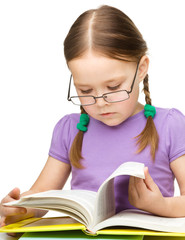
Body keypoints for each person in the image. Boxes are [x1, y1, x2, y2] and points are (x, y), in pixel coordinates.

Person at [1, 4, 185, 232]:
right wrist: (19, 208)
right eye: (85, 91)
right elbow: (40, 197)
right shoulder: (70, 129)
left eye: (113, 86)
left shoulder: (169, 125)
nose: (100, 102)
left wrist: (161, 205)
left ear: (141, 69)